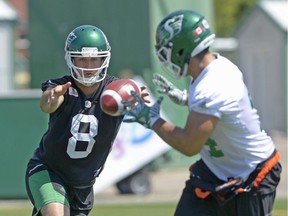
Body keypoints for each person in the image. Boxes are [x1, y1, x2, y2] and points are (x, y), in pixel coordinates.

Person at [120, 10, 282, 216]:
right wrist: (187, 98)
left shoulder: (212, 86)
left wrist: (151, 118)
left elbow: (189, 145)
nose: (163, 55)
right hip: (217, 169)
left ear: (180, 49)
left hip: (251, 172)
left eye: (166, 49)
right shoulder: (215, 68)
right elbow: (219, 109)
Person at [25, 24, 149, 216]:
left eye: (94, 59)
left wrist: (137, 102)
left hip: (83, 184)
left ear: (104, 59)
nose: (89, 66)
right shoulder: (62, 87)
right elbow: (47, 104)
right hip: (49, 170)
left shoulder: (114, 91)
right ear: (71, 59)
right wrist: (50, 98)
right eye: (82, 59)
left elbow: (136, 103)